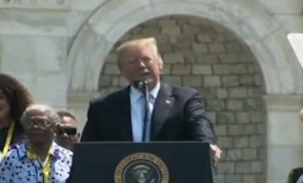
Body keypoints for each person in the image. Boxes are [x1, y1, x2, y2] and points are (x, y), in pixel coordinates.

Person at [81, 37, 222, 163]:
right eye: (132, 62)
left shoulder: (184, 99)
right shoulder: (103, 107)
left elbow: (199, 123)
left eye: (146, 59)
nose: (141, 65)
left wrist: (206, 145)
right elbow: (87, 151)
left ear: (160, 64)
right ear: (122, 70)